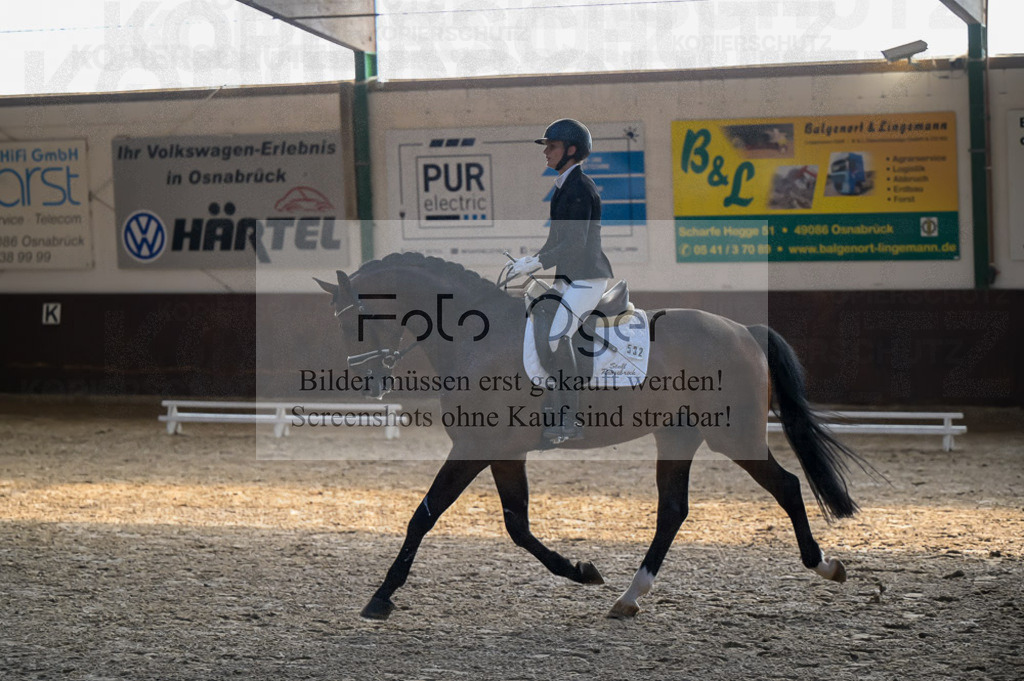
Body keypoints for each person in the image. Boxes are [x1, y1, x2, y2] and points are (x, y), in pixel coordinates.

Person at [508, 118, 614, 442]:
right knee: (533, 314)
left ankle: (570, 418)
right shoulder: (563, 186)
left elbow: (576, 243)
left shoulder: (580, 188)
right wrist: (532, 261)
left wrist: (538, 262)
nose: (546, 153)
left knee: (557, 335)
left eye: (551, 147)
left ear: (570, 150)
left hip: (587, 278)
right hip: (567, 278)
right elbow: (557, 241)